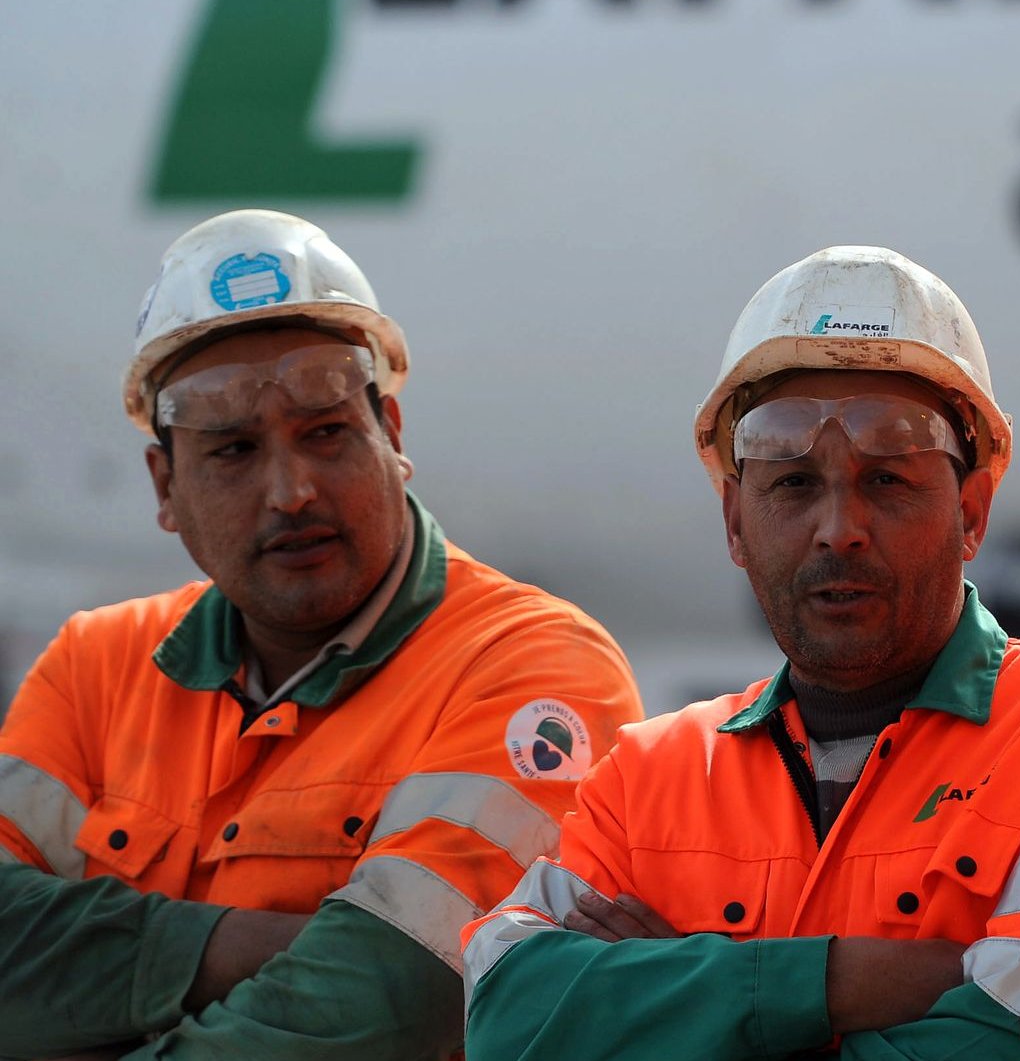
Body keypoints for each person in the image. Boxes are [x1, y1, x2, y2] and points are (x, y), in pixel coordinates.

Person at [463, 245, 1020, 1061]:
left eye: (888, 479)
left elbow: (1018, 1046)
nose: (839, 527)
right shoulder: (648, 778)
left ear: (972, 508)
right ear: (733, 523)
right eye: (792, 482)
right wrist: (838, 982)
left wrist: (672, 1000)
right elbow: (507, 1017)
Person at [0, 209, 643, 1059]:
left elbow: (399, 1000)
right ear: (165, 485)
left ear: (393, 435)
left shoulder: (533, 667)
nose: (291, 490)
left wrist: (87, 985)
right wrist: (265, 946)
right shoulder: (96, 664)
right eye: (232, 450)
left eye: (328, 432)